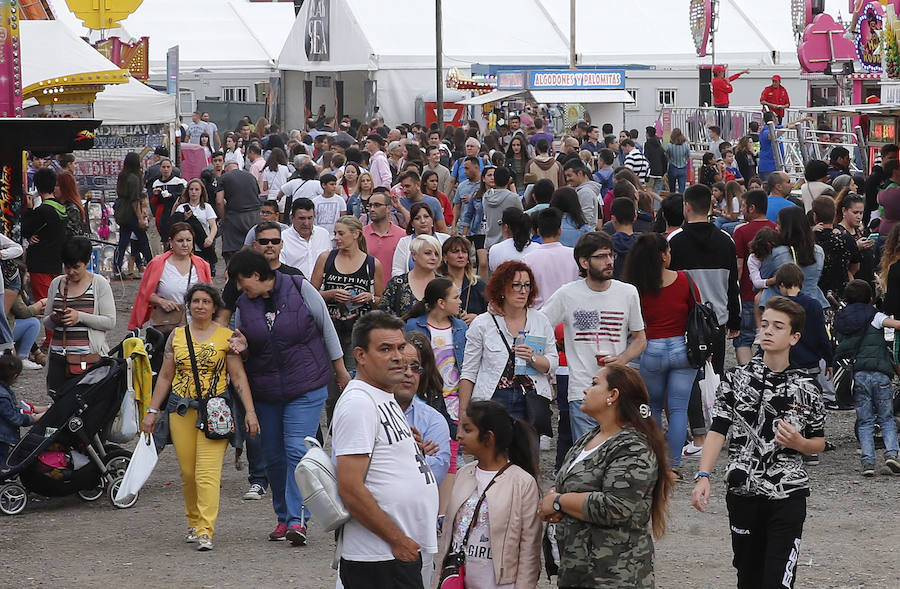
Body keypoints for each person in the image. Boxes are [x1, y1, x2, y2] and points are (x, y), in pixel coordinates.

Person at [691, 297, 825, 589]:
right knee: (748, 579)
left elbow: (819, 441)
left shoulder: (807, 387)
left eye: (778, 326)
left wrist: (801, 443)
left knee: (777, 582)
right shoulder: (735, 378)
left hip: (788, 495)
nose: (767, 331)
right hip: (743, 493)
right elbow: (718, 429)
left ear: (794, 337)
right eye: (764, 325)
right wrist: (703, 475)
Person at [226, 249, 350, 544]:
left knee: (296, 448)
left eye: (243, 281)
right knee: (273, 455)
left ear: (257, 275)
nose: (241, 289)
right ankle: (282, 517)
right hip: (266, 389)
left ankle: (298, 519)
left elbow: (326, 328)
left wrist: (341, 371)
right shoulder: (244, 304)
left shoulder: (299, 287)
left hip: (306, 384)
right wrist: (242, 347)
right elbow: (242, 342)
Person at [141, 284, 259, 552]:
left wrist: (250, 412)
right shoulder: (177, 336)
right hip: (181, 411)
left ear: (214, 306)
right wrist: (152, 410)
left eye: (206, 301)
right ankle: (193, 523)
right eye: (195, 301)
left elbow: (238, 378)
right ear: (188, 304)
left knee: (207, 473)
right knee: (188, 472)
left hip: (215, 412)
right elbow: (166, 376)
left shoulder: (226, 337)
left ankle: (206, 529)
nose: (200, 306)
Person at [538, 364, 673, 589]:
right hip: (577, 571)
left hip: (614, 576)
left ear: (613, 395)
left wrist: (559, 502)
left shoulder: (632, 446)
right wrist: (556, 504)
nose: (585, 390)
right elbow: (567, 485)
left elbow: (615, 506)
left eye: (594, 384)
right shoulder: (588, 439)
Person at [333, 311, 439, 589]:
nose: (398, 357)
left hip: (395, 554)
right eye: (385, 349)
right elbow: (350, 488)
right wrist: (398, 541)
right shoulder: (359, 401)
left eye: (400, 347)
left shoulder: (384, 395)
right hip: (380, 557)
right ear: (360, 355)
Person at [541, 232, 646, 440]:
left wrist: (622, 359)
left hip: (617, 389)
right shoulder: (567, 294)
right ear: (584, 262)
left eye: (611, 255)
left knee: (616, 452)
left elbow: (640, 338)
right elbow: (539, 325)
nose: (609, 261)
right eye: (601, 256)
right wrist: (546, 361)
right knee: (588, 457)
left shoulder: (628, 292)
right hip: (582, 390)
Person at [435, 400, 542, 588]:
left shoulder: (522, 483)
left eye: (467, 430)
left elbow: (529, 551)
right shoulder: (463, 474)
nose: (459, 436)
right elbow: (447, 540)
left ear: (488, 437)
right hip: (459, 580)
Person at [667, 184, 741, 454]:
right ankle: (716, 429)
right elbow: (732, 283)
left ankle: (697, 431)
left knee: (688, 375)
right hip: (717, 320)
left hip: (685, 321)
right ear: (710, 206)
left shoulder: (674, 241)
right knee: (716, 374)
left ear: (687, 206)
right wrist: (735, 319)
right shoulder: (725, 240)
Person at [623, 233, 698, 478]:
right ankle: (673, 466)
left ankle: (654, 463)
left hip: (651, 349)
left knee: (652, 407)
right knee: (678, 409)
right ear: (664, 254)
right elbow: (696, 311)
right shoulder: (685, 279)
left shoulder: (636, 287)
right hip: (682, 348)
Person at [459, 261, 558, 422]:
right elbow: (469, 372)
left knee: (528, 447)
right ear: (502, 288)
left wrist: (532, 358)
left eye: (527, 285)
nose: (523, 291)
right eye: (516, 285)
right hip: (493, 399)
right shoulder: (483, 323)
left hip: (531, 398)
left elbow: (552, 363)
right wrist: (463, 414)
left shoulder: (540, 320)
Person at [834, 279, 900, 476]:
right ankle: (891, 454)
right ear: (870, 298)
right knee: (886, 417)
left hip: (858, 374)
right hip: (880, 374)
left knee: (865, 421)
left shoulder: (841, 318)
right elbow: (896, 325)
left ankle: (868, 462)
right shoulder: (875, 315)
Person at [42, 237, 116, 396]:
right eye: (67, 267)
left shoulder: (99, 284)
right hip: (59, 357)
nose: (70, 272)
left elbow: (109, 322)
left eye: (76, 267)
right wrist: (54, 318)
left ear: (87, 262)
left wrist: (80, 317)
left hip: (87, 357)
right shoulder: (57, 283)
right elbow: (46, 322)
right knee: (59, 405)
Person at [129, 223, 212, 338]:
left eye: (189, 240)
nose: (185, 244)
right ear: (171, 242)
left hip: (195, 326)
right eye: (180, 240)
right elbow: (144, 294)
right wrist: (161, 301)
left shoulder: (202, 265)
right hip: (165, 326)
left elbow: (210, 297)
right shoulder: (158, 264)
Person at [732, 190, 776, 364]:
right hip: (772, 295)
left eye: (743, 206)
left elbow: (739, 266)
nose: (742, 210)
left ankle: (745, 377)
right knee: (767, 339)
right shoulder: (776, 229)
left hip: (748, 294)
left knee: (743, 339)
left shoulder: (741, 231)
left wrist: (734, 293)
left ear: (752, 208)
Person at [759, 206, 827, 310]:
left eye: (779, 224)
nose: (776, 228)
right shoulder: (819, 252)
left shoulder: (776, 253)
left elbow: (763, 279)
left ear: (787, 228)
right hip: (811, 306)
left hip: (781, 307)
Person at [23, 168, 67, 301]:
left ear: (37, 187)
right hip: (56, 262)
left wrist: (29, 210)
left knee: (43, 303)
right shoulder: (62, 208)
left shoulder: (42, 211)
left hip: (40, 263)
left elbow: (24, 229)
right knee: (55, 300)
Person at [523, 208, 579, 309]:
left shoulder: (528, 260)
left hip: (540, 314)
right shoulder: (574, 255)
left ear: (538, 232)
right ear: (559, 231)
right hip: (570, 313)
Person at [380, 234, 442, 317]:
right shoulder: (397, 283)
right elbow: (382, 317)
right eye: (428, 253)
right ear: (414, 255)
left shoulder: (445, 284)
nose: (434, 257)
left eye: (437, 254)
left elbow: (456, 314)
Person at [0, 354, 46, 464]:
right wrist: (34, 418)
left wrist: (32, 410)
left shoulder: (4, 391)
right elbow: (14, 418)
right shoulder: (3, 396)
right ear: (14, 376)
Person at [811, 196, 859, 299]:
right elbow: (855, 266)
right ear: (835, 215)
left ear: (814, 216)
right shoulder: (847, 239)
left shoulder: (808, 240)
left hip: (815, 294)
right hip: (841, 294)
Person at [216, 161, 262, 262]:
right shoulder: (251, 177)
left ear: (226, 169)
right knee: (253, 251)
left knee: (233, 255)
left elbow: (219, 201)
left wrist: (223, 219)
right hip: (254, 218)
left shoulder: (224, 178)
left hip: (234, 219)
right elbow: (258, 195)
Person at [172, 179, 219, 277]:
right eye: (191, 189)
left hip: (202, 244)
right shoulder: (182, 207)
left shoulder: (207, 207)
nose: (194, 192)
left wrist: (210, 238)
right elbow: (174, 225)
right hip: (186, 246)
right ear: (188, 191)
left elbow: (213, 226)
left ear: (201, 191)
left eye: (197, 189)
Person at [392, 203, 450, 278]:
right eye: (417, 218)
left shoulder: (446, 239)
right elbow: (397, 270)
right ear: (412, 223)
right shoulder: (404, 242)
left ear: (432, 220)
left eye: (426, 217)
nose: (422, 221)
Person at [439, 236, 487, 325]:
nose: (460, 255)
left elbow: (492, 313)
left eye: (464, 252)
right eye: (455, 252)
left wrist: (477, 318)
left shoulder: (479, 285)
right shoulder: (438, 284)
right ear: (445, 257)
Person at [280, 198, 333, 278]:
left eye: (310, 218)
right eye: (302, 218)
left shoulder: (323, 234)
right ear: (292, 218)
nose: (306, 223)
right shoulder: (282, 238)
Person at [836, 191, 876, 286]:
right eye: (855, 212)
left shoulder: (859, 230)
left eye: (861, 213)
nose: (859, 216)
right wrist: (856, 247)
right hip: (853, 285)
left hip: (868, 280)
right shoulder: (837, 232)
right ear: (844, 211)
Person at [150, 158, 188, 240]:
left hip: (176, 212)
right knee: (165, 239)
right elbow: (153, 202)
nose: (166, 169)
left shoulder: (178, 182)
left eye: (168, 167)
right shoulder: (156, 183)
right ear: (160, 168)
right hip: (162, 215)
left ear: (171, 168)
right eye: (163, 167)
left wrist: (171, 195)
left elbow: (182, 196)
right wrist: (156, 195)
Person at [56, 172, 88, 237]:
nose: (54, 188)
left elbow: (70, 232)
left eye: (57, 185)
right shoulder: (57, 204)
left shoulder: (72, 208)